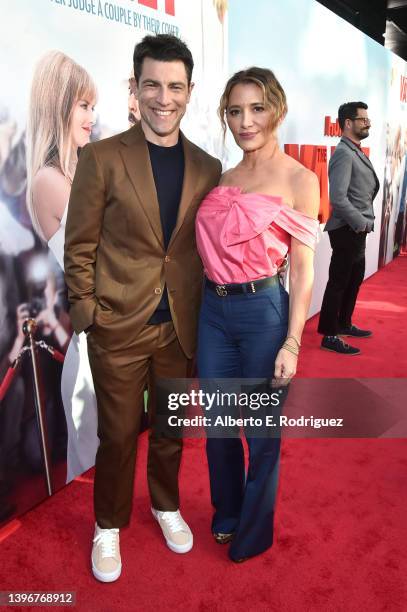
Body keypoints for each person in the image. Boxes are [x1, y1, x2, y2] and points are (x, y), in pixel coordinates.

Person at [64, 34, 221, 583]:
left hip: (179, 327)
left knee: (173, 429)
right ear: (134, 89)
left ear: (189, 91)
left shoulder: (208, 167)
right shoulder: (102, 157)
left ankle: (166, 504)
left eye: (175, 86)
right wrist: (89, 317)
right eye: (152, 84)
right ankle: (108, 524)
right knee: (118, 434)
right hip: (118, 326)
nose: (163, 97)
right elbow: (79, 245)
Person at [196, 67, 320, 562]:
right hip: (212, 312)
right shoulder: (223, 177)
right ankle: (226, 512)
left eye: (256, 108)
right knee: (220, 426)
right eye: (234, 111)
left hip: (264, 312)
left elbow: (304, 269)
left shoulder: (300, 179)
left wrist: (292, 342)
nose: (244, 121)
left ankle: (254, 530)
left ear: (277, 110)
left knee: (262, 432)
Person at [26, 50, 99, 482]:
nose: (92, 117)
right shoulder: (48, 181)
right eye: (84, 106)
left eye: (93, 106)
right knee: (89, 463)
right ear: (58, 106)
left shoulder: (77, 169)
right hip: (91, 346)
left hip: (107, 335)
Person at [318, 102, 379, 355]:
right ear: (347, 124)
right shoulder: (344, 153)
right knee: (339, 282)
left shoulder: (355, 151)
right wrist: (360, 222)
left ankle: (343, 323)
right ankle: (330, 335)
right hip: (347, 229)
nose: (367, 122)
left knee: (353, 280)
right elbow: (338, 198)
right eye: (362, 119)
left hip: (357, 229)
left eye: (367, 118)